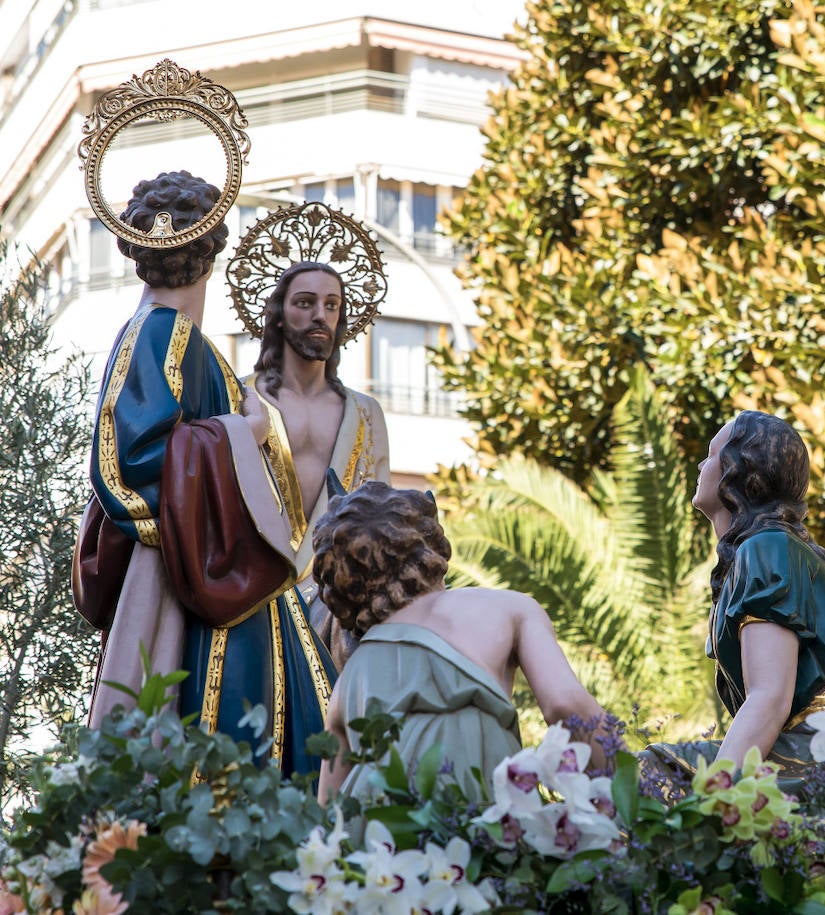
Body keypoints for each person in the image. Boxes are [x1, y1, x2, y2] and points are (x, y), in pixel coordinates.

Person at [76, 172, 336, 777]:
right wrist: (247, 433)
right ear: (210, 252)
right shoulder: (161, 333)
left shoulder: (189, 341)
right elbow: (134, 460)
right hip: (197, 576)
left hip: (219, 565)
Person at [313, 481, 608, 803]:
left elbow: (328, 810)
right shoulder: (508, 608)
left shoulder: (349, 680)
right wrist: (631, 792)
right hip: (477, 816)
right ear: (429, 542)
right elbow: (565, 704)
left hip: (380, 836)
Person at [646, 411, 825, 778]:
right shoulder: (767, 548)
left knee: (651, 775)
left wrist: (713, 797)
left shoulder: (767, 547)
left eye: (713, 454)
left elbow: (769, 698)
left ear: (740, 471)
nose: (701, 463)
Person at [244, 260, 390, 670]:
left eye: (331, 305)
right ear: (278, 315)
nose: (319, 316)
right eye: (305, 303)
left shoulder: (365, 413)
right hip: (256, 596)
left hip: (336, 604)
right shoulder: (242, 399)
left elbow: (380, 512)